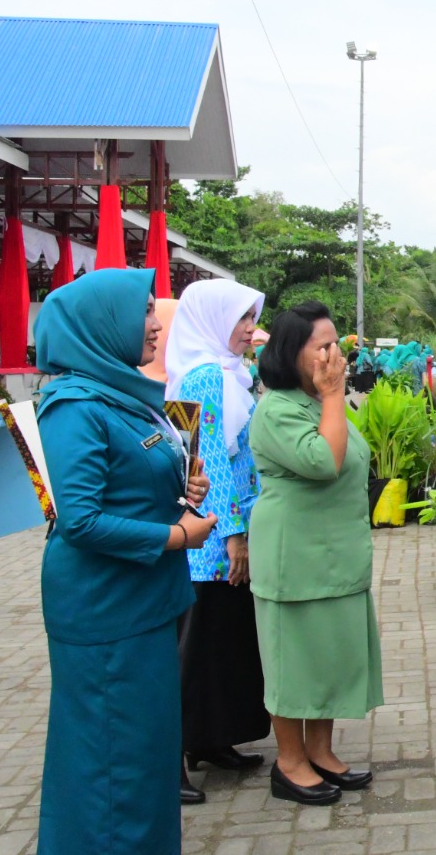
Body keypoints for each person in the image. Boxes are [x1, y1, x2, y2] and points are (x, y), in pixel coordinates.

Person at [35, 268, 214, 854]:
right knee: (112, 766)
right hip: (106, 611)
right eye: (142, 312)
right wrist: (177, 535)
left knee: (145, 758)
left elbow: (131, 483)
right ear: (101, 324)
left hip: (143, 602)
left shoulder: (125, 397)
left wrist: (184, 491)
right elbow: (81, 521)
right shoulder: (74, 406)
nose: (156, 324)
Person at [248, 302, 382, 806]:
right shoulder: (277, 408)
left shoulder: (317, 401)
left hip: (334, 551)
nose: (335, 356)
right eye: (321, 347)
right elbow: (324, 462)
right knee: (293, 661)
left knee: (326, 656)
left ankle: (320, 751)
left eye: (336, 344)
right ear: (291, 353)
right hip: (295, 556)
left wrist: (329, 397)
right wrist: (331, 395)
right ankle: (289, 762)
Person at [166, 279, 271, 803]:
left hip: (224, 531)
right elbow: (206, 463)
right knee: (195, 649)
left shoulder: (227, 374)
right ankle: (172, 763)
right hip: (210, 540)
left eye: (252, 319)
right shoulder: (204, 377)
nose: (251, 330)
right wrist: (234, 537)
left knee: (221, 645)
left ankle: (211, 741)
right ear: (212, 320)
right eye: (242, 320)